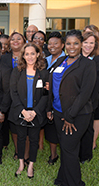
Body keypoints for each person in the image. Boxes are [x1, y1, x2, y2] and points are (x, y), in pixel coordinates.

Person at [48, 29, 96, 186]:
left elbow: (85, 94)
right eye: (68, 43)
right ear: (64, 45)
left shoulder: (88, 65)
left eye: (76, 43)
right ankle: (62, 179)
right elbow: (53, 85)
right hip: (58, 112)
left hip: (77, 115)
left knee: (68, 149)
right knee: (68, 149)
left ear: (81, 44)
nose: (72, 47)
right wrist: (50, 108)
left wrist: (70, 116)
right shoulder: (60, 61)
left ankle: (76, 183)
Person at [9, 43, 48, 179]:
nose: (30, 56)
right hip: (20, 111)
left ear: (37, 54)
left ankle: (31, 165)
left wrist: (35, 112)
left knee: (33, 139)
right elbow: (13, 92)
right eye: (27, 54)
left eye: (33, 53)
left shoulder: (44, 72)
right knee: (20, 138)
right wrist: (22, 111)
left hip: (36, 112)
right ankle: (21, 164)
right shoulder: (17, 71)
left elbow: (45, 94)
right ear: (23, 56)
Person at [78, 31, 99, 164]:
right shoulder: (74, 58)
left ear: (95, 44)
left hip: (91, 99)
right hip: (76, 99)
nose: (88, 45)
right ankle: (75, 153)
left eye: (91, 43)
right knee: (76, 128)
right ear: (81, 43)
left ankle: (85, 156)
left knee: (88, 128)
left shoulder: (98, 59)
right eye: (86, 42)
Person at [0, 32, 26, 160]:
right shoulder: (4, 58)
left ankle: (26, 152)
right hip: (8, 96)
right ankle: (17, 151)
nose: (15, 41)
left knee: (25, 126)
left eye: (19, 39)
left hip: (25, 97)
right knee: (14, 126)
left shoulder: (29, 56)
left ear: (24, 41)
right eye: (12, 39)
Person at [44, 32, 65, 165]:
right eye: (50, 43)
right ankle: (53, 155)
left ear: (62, 45)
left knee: (63, 131)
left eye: (55, 43)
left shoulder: (66, 60)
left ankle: (66, 156)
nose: (52, 46)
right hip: (47, 99)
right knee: (50, 129)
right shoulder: (46, 59)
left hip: (61, 100)